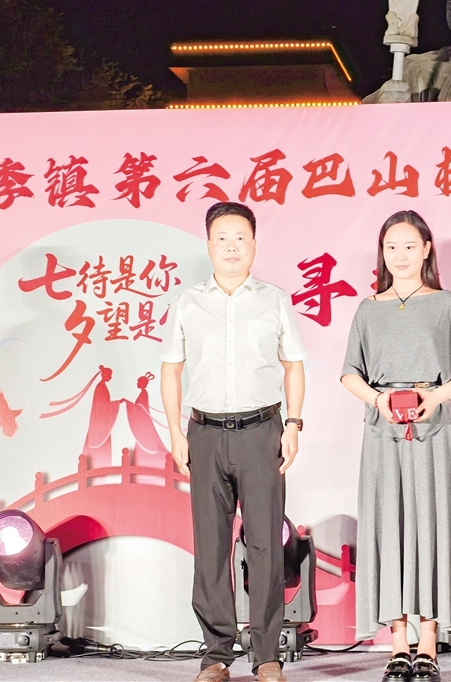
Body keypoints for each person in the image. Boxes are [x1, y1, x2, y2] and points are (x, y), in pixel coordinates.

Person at [160, 201, 307, 682]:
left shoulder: (273, 299)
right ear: (208, 245)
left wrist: (293, 424)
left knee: (266, 546)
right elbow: (170, 370)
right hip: (204, 433)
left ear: (254, 245)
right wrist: (176, 432)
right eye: (222, 238)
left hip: (262, 432)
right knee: (211, 547)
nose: (231, 247)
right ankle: (216, 655)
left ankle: (266, 655)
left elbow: (293, 365)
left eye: (240, 238)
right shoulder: (187, 302)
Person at [341, 210, 451, 681]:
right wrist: (377, 399)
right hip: (383, 432)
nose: (399, 255)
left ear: (426, 250)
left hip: (433, 429)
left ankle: (428, 645)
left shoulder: (445, 304)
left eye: (408, 246)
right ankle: (398, 645)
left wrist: (435, 397)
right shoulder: (369, 309)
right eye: (391, 247)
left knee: (433, 527)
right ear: (382, 253)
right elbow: (349, 373)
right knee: (388, 528)